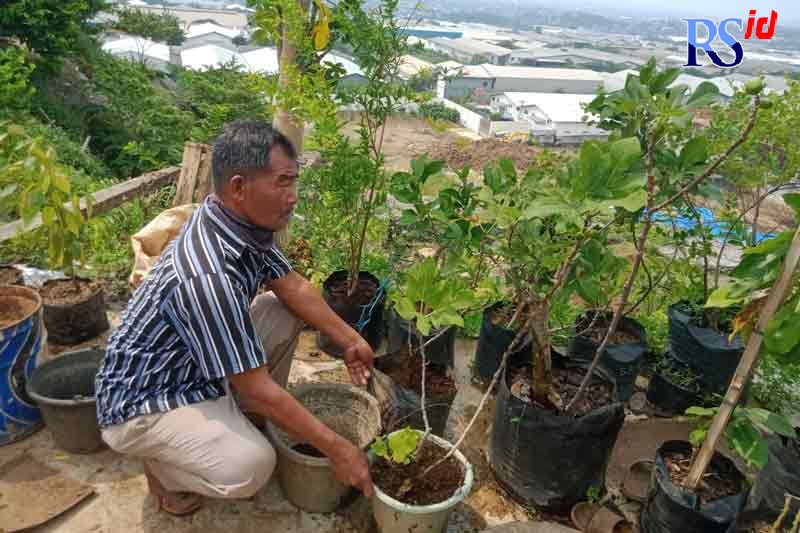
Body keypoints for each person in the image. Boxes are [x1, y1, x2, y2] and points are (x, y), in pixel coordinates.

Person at [95, 120, 374, 515]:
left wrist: (350, 339)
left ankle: (240, 419)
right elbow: (256, 387)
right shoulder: (208, 276)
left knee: (281, 310)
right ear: (239, 187)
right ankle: (163, 470)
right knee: (251, 468)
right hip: (145, 398)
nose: (293, 197)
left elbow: (293, 286)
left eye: (294, 182)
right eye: (282, 183)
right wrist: (339, 449)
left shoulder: (235, 221)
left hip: (194, 361)